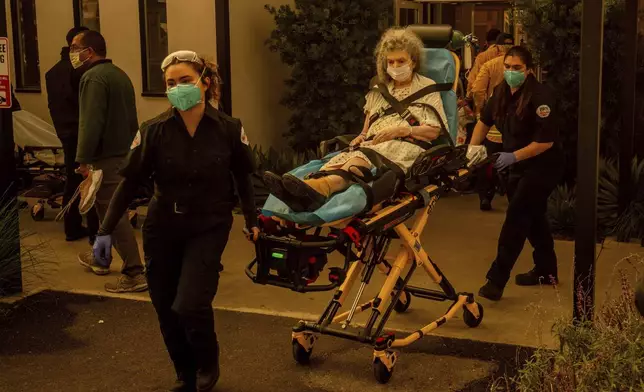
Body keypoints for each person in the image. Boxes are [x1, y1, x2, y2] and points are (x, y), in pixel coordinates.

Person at [92, 50, 260, 392]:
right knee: (166, 305)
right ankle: (184, 372)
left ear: (205, 83)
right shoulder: (153, 130)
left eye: (185, 80)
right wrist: (104, 231)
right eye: (170, 83)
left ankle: (207, 362)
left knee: (191, 302)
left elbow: (243, 177)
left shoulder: (229, 129)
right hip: (163, 226)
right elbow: (128, 183)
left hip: (209, 225)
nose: (177, 88)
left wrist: (252, 219)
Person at [263, 27, 448, 212]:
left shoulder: (427, 88)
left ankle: (318, 190)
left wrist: (403, 130)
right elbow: (367, 127)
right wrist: (361, 136)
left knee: (357, 162)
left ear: (413, 61)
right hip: (374, 143)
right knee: (341, 159)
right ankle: (305, 190)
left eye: (401, 61)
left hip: (406, 144)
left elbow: (434, 131)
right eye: (391, 62)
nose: (396, 66)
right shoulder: (379, 90)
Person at [470, 46, 564, 301]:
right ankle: (546, 270)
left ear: (529, 70)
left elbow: (545, 142)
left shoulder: (541, 96)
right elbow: (484, 121)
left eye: (517, 68)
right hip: (515, 167)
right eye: (508, 67)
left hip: (542, 166)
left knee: (516, 219)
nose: (511, 72)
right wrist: (472, 151)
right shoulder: (502, 91)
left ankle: (496, 280)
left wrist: (513, 156)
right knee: (533, 219)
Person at [70, 30, 147, 293]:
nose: (72, 53)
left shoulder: (93, 78)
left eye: (75, 48)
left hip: (106, 158)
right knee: (105, 210)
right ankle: (101, 258)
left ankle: (135, 272)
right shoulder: (119, 75)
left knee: (114, 214)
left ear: (88, 51)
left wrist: (83, 159)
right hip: (124, 153)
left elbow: (90, 123)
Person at [45, 26, 100, 243]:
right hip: (80, 131)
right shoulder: (80, 71)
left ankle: (72, 225)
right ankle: (90, 230)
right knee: (90, 179)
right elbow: (86, 105)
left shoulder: (52, 72)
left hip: (64, 131)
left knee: (73, 177)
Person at [471, 33, 514, 210]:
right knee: (513, 160)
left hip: (493, 122)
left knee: (488, 160)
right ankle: (513, 196)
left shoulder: (488, 64)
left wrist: (481, 110)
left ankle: (485, 197)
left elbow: (477, 89)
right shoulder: (520, 67)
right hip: (514, 122)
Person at [466, 28, 503, 102]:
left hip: (489, 102)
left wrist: (468, 97)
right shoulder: (511, 55)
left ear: (487, 42)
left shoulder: (482, 57)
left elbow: (474, 84)